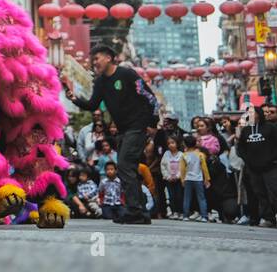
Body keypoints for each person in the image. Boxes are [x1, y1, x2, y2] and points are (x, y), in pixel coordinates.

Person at [62, 44, 158, 224]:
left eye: (97, 58)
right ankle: (141, 212)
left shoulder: (127, 74)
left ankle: (134, 210)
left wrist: (153, 122)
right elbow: (92, 105)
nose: (94, 62)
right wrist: (74, 98)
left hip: (137, 126)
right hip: (122, 130)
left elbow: (149, 96)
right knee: (130, 169)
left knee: (124, 165)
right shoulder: (100, 82)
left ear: (108, 57)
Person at [238, 105, 277, 229]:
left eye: (253, 113)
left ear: (258, 114)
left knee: (276, 193)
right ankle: (268, 218)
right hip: (253, 168)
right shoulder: (246, 131)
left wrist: (271, 159)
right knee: (260, 194)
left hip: (270, 167)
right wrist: (248, 160)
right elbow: (241, 148)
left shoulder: (270, 128)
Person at [181, 133, 210, 222]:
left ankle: (185, 215)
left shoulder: (184, 155)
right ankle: (204, 216)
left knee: (187, 198)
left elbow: (182, 169)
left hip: (188, 178)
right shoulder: (200, 155)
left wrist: (182, 179)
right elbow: (204, 168)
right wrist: (207, 179)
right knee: (201, 197)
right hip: (198, 178)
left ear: (185, 144)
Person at [161, 134, 185, 219]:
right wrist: (167, 176)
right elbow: (163, 166)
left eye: (173, 142)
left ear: (177, 143)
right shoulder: (166, 154)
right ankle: (174, 211)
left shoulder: (181, 154)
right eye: (169, 143)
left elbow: (183, 167)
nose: (170, 145)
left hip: (178, 179)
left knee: (179, 196)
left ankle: (180, 212)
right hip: (169, 179)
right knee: (171, 196)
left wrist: (178, 176)